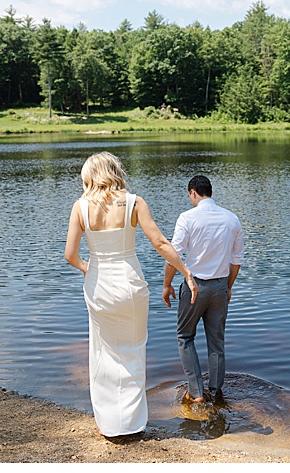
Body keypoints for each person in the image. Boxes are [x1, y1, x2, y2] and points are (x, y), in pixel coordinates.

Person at [64, 151, 197, 437]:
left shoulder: (80, 207)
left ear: (90, 175)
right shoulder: (134, 203)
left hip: (98, 283)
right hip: (130, 283)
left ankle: (110, 425)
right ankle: (132, 423)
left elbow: (70, 255)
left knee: (102, 351)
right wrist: (185, 272)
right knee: (133, 351)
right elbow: (160, 243)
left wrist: (90, 268)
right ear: (115, 171)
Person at [162, 175, 245, 404]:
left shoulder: (187, 218)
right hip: (219, 286)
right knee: (216, 342)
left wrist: (167, 284)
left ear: (193, 192)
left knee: (185, 336)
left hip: (194, 286)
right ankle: (216, 393)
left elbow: (173, 255)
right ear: (210, 191)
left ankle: (197, 392)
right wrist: (227, 287)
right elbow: (236, 260)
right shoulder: (232, 219)